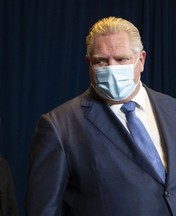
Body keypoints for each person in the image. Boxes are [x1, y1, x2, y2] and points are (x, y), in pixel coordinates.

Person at [25, 16, 176, 215]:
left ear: (141, 60)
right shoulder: (59, 126)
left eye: (121, 59)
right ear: (89, 64)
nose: (112, 68)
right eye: (101, 61)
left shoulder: (172, 108)